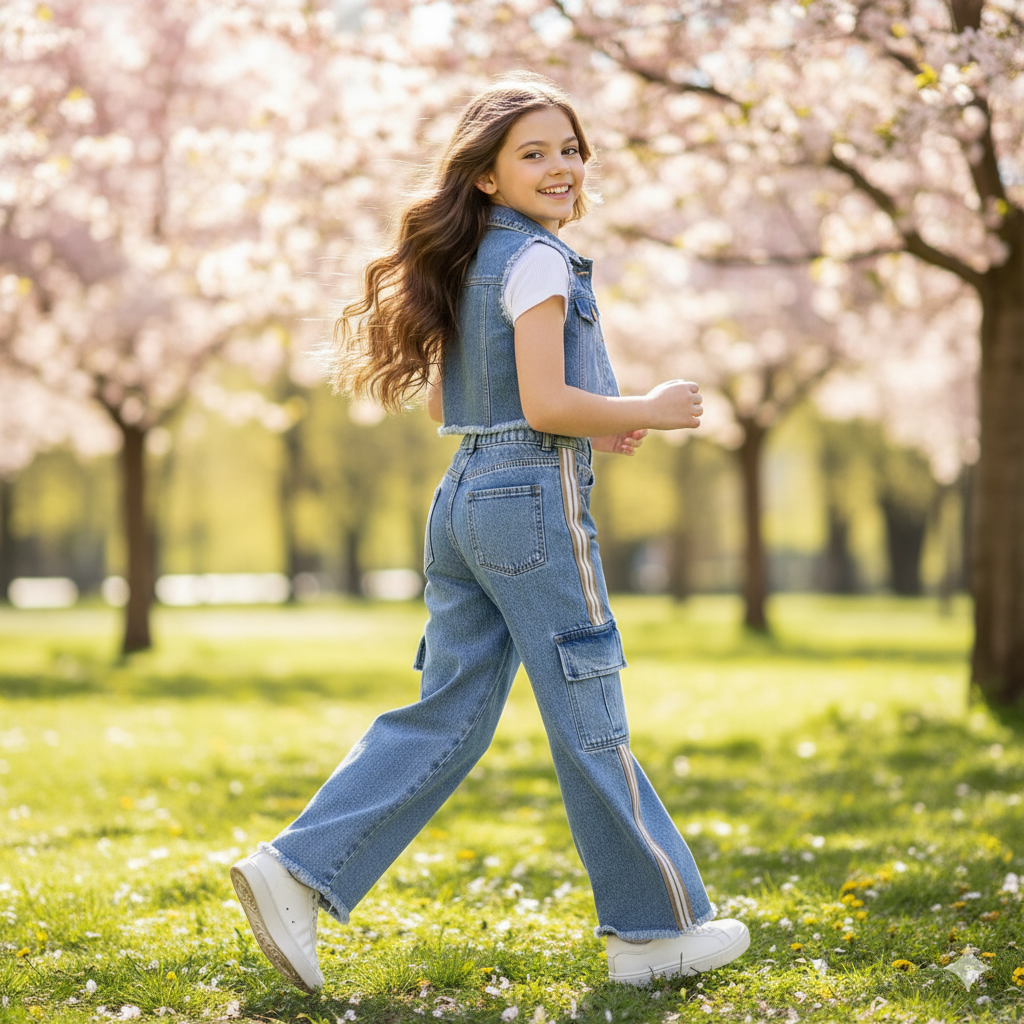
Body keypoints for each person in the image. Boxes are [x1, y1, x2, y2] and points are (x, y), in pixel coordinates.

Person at [230, 72, 750, 992]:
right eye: (533, 153)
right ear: (486, 175)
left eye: (569, 148)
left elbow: (455, 397)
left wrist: (600, 418)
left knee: (450, 714)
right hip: (535, 503)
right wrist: (654, 408)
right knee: (590, 713)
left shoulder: (473, 262)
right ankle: (653, 932)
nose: (560, 167)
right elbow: (546, 401)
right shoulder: (541, 260)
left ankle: (296, 871)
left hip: (467, 492)